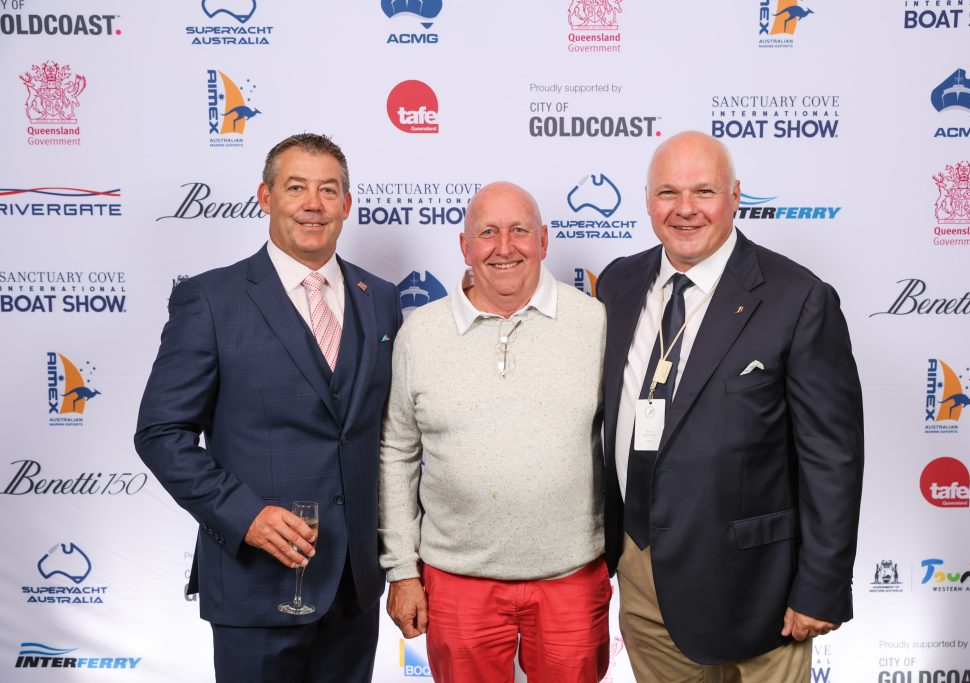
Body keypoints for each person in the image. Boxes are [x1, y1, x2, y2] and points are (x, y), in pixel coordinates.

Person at [597, 131, 864, 682]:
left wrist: (822, 586)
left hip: (758, 585)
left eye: (704, 191)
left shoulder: (797, 297)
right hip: (642, 571)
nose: (685, 209)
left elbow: (832, 457)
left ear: (735, 196)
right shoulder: (619, 282)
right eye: (668, 192)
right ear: (647, 199)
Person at [135, 133, 402, 682]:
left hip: (353, 588)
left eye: (328, 190)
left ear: (347, 204)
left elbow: (386, 436)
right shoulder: (211, 299)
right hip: (256, 581)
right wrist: (246, 516)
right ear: (265, 197)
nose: (313, 204)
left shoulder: (381, 298)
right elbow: (161, 432)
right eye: (296, 187)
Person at [379, 182, 611, 683]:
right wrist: (401, 569)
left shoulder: (594, 323)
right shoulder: (420, 333)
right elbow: (397, 451)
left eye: (519, 230)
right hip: (456, 579)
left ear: (543, 240)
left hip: (571, 576)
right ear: (465, 246)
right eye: (487, 233)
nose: (504, 247)